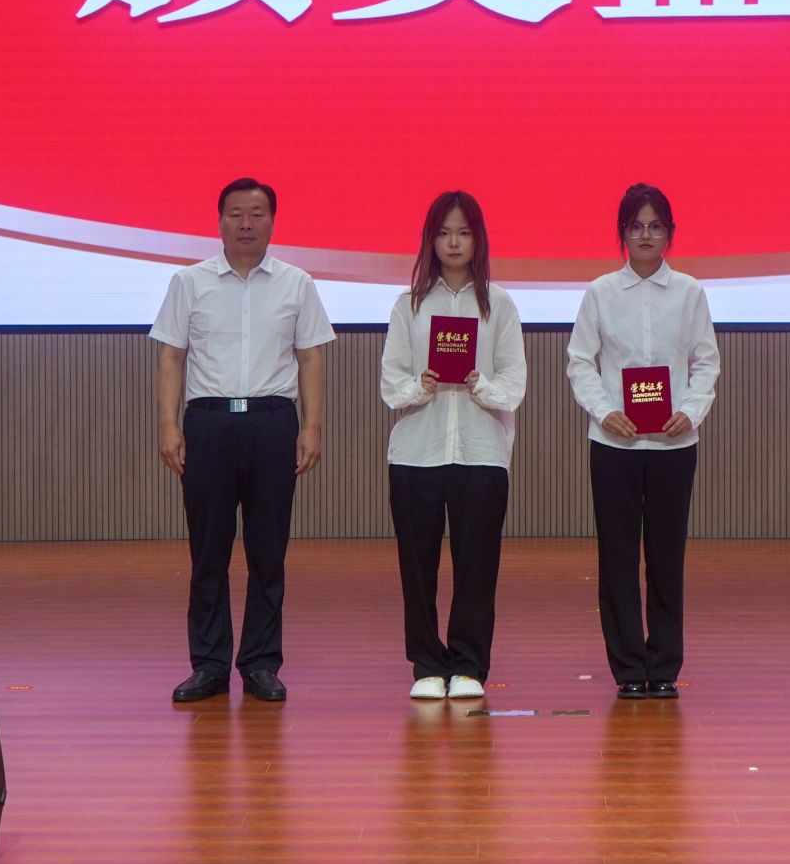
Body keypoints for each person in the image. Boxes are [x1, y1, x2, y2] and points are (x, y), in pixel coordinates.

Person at [151, 178, 334, 704]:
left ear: (273, 221)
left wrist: (311, 427)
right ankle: (209, 665)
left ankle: (260, 663)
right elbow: (171, 355)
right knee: (207, 551)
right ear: (219, 222)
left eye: (257, 213)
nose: (246, 223)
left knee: (267, 552)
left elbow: (310, 357)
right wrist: (169, 425)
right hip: (208, 424)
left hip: (272, 423)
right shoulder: (188, 282)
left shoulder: (297, 283)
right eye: (235, 213)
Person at [565, 182, 720, 700]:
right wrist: (605, 412)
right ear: (623, 234)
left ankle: (665, 666)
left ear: (670, 233)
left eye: (655, 226)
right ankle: (629, 668)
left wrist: (690, 412)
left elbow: (706, 362)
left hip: (674, 445)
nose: (646, 235)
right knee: (618, 558)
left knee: (666, 557)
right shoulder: (601, 292)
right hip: (615, 446)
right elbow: (579, 362)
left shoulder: (690, 292)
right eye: (636, 227)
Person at [379, 191, 526, 701]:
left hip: (482, 452)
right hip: (416, 453)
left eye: (463, 233)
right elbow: (390, 383)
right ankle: (426, 663)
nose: (454, 243)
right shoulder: (409, 305)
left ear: (478, 239)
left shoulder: (499, 304)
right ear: (431, 240)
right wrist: (419, 385)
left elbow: (514, 383)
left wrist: (479, 385)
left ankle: (468, 665)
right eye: (444, 233)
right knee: (417, 566)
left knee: (477, 566)